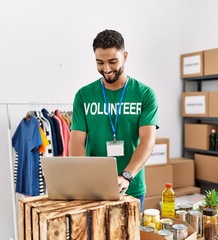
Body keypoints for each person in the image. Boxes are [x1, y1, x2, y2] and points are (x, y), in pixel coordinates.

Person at [69, 29, 159, 211]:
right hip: (93, 189)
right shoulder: (83, 95)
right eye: (100, 62)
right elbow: (77, 141)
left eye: (113, 61)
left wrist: (126, 175)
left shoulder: (144, 94)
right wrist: (85, 176)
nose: (107, 69)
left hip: (131, 187)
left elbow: (148, 141)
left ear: (125, 56)